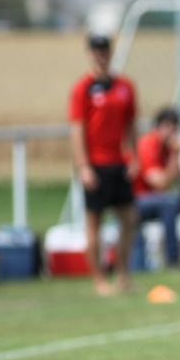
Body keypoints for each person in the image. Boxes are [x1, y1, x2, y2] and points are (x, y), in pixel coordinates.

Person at [68, 34, 138, 296]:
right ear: (90, 54)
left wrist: (133, 157)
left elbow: (131, 125)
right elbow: (77, 130)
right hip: (95, 164)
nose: (101, 55)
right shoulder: (82, 89)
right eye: (96, 51)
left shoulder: (124, 87)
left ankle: (122, 274)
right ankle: (98, 280)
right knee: (94, 224)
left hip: (118, 164)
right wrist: (83, 166)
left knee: (129, 219)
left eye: (105, 50)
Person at [130, 107, 180, 271]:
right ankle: (173, 261)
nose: (174, 134)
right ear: (161, 126)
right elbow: (160, 183)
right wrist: (176, 156)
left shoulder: (167, 147)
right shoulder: (148, 144)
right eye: (172, 128)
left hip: (155, 200)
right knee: (169, 202)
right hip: (137, 200)